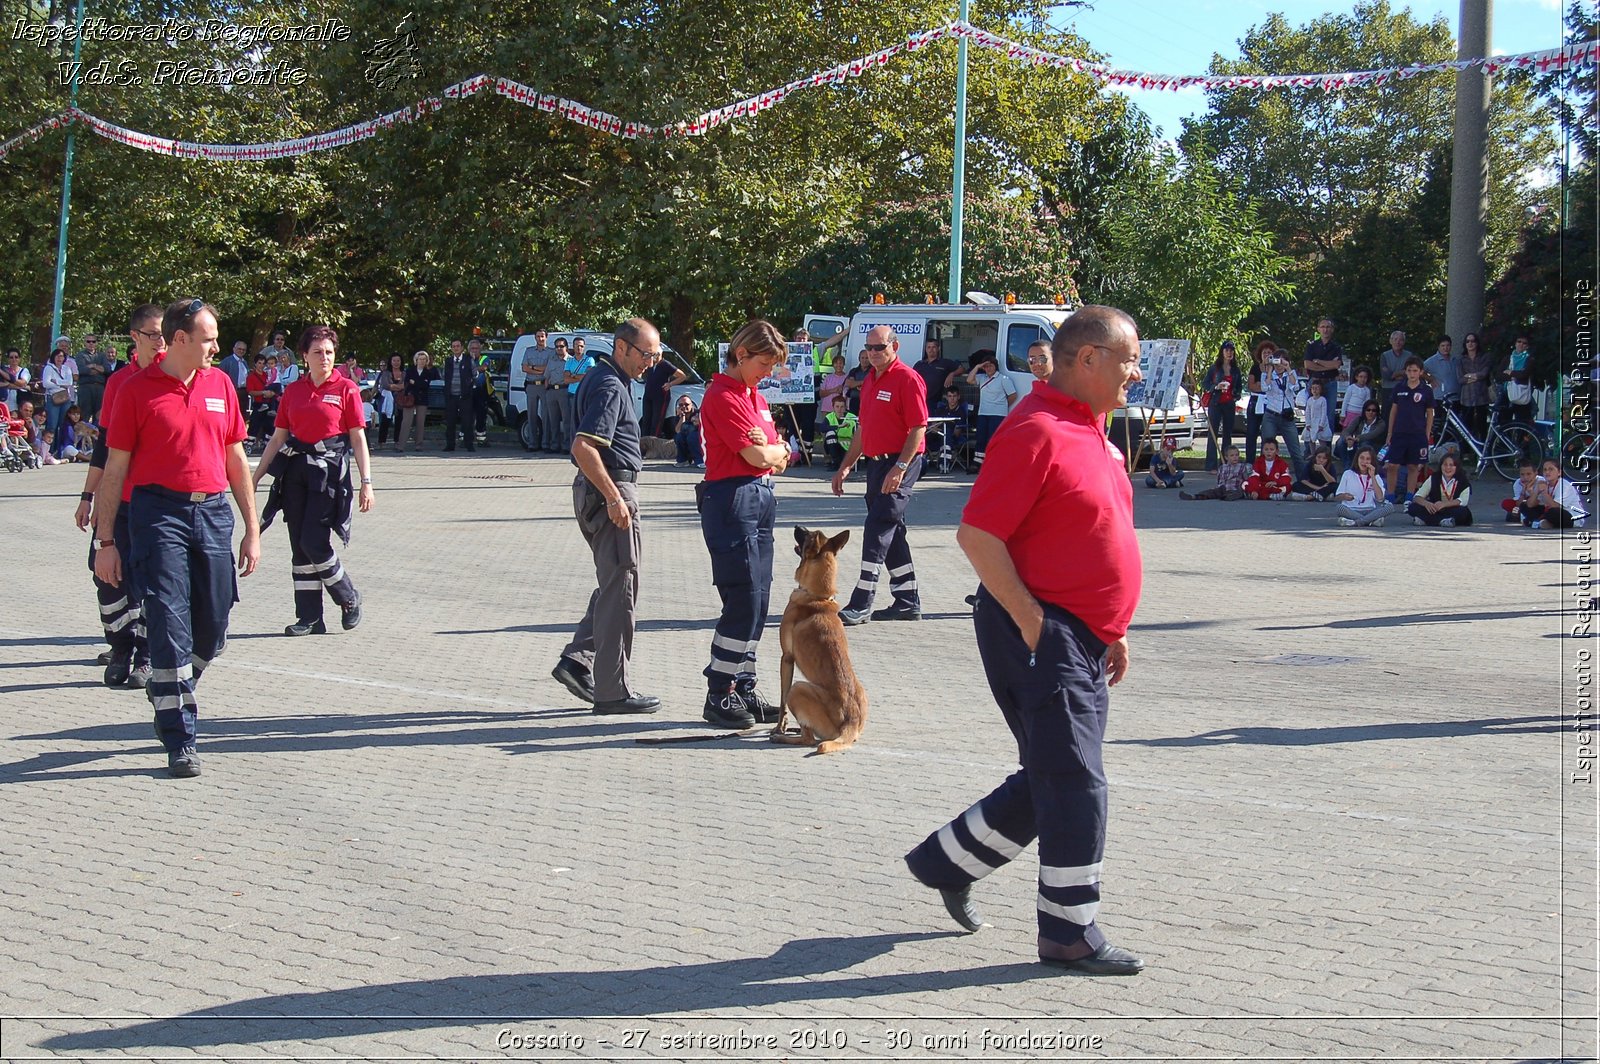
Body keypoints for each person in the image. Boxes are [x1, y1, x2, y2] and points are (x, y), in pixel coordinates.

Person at [904, 305, 1147, 976]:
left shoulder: (1094, 431)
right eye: (1127, 358)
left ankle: (945, 861)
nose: (1136, 370)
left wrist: (1113, 629)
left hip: (1081, 633)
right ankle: (1069, 932)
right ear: (1088, 358)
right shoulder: (1035, 430)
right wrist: (1038, 625)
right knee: (1075, 780)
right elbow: (978, 537)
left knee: (1055, 771)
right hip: (1041, 628)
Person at [93, 298, 260, 779]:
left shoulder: (220, 384)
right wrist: (107, 542)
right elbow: (114, 469)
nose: (216, 347)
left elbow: (235, 460)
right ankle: (179, 736)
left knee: (214, 621)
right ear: (181, 339)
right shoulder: (135, 391)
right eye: (209, 338)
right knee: (168, 621)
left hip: (212, 513)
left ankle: (173, 683)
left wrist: (251, 528)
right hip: (157, 513)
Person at [550, 318, 662, 716]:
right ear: (622, 348)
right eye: (647, 354)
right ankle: (613, 692)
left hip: (599, 490)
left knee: (613, 583)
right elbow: (584, 446)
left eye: (656, 354)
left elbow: (610, 443)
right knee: (621, 589)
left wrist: (649, 446)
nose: (651, 362)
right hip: (609, 495)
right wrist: (615, 498)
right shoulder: (612, 385)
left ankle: (577, 662)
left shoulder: (601, 378)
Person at [696, 320, 791, 729]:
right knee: (744, 597)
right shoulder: (722, 396)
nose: (767, 373)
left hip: (760, 496)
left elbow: (779, 457)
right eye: (764, 364)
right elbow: (755, 458)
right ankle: (720, 690)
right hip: (731, 499)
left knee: (761, 601)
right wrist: (772, 451)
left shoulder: (754, 397)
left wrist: (775, 448)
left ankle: (743, 685)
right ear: (742, 355)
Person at [252, 325, 373, 636]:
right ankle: (309, 617)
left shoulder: (346, 389)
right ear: (304, 356)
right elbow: (278, 437)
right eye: (318, 352)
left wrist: (366, 483)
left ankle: (348, 596)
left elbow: (357, 438)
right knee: (299, 546)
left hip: (328, 474)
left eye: (330, 352)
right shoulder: (293, 391)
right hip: (296, 473)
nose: (325, 358)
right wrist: (256, 475)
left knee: (313, 541)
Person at [830, 325, 929, 625]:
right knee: (891, 529)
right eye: (869, 348)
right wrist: (846, 464)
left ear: (894, 347)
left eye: (879, 348)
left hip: (901, 462)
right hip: (876, 464)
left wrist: (900, 468)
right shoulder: (869, 380)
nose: (873, 354)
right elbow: (863, 428)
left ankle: (862, 601)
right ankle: (907, 599)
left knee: (877, 525)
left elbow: (918, 427)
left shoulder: (907, 378)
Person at [1383, 356, 1435, 503]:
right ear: (1405, 371)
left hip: (1417, 433)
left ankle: (1409, 497)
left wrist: (1426, 433)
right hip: (1399, 433)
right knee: (1393, 465)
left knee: (1413, 466)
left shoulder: (1426, 390)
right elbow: (1393, 411)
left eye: (1415, 371)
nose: (1412, 374)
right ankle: (1390, 496)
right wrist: (1389, 433)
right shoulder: (1399, 387)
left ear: (1420, 372)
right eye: (1409, 370)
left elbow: (1430, 413)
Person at [1256, 347, 1304, 476]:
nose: (1279, 366)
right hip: (1271, 415)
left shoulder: (1290, 374)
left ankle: (1303, 480)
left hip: (1287, 417)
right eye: (1277, 362)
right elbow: (1265, 387)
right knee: (1266, 449)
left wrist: (1288, 369)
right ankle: (1262, 478)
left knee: (1296, 452)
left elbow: (1295, 387)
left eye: (1281, 362)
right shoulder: (1267, 374)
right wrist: (1270, 370)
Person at [967, 351, 1018, 464]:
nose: (988, 368)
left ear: (996, 366)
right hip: (983, 413)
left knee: (993, 438)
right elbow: (969, 380)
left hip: (998, 414)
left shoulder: (1003, 379)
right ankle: (978, 462)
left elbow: (1013, 395)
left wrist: (1002, 406)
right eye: (986, 366)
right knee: (981, 438)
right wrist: (977, 367)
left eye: (991, 365)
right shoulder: (982, 378)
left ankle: (993, 461)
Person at [1201, 341, 1241, 470]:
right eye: (1227, 350)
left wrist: (1235, 395)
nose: (1229, 353)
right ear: (1222, 352)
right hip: (1216, 403)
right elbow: (1205, 384)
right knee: (1213, 433)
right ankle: (1211, 465)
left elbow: (1238, 387)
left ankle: (1225, 463)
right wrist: (1216, 387)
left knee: (1227, 434)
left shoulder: (1235, 370)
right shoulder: (1215, 368)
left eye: (1231, 351)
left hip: (1229, 404)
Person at [1332, 446, 1396, 526]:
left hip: (1370, 509)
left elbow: (1380, 499)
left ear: (1372, 461)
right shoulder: (1348, 474)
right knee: (1339, 508)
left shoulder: (1376, 476)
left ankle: (1356, 522)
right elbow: (1337, 497)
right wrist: (1345, 496)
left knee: (1389, 507)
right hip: (1351, 509)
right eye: (1362, 458)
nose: (1364, 461)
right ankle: (1371, 521)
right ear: (1357, 459)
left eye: (1368, 459)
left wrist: (1372, 476)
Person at [1302, 317, 1343, 437]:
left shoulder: (1336, 347)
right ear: (1318, 329)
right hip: (1314, 382)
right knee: (1311, 413)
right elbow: (1308, 365)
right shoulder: (1312, 346)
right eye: (1323, 327)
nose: (1325, 330)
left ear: (1332, 330)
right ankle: (1310, 448)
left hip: (1330, 383)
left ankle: (1326, 449)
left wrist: (1318, 361)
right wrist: (1328, 365)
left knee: (1329, 415)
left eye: (1328, 327)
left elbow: (1336, 365)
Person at [1406, 453, 1471, 526]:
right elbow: (1417, 497)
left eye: (1451, 465)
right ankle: (1443, 521)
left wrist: (1444, 504)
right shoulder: (1434, 478)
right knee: (1412, 507)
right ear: (1441, 466)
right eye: (1445, 465)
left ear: (1457, 467)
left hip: (1451, 509)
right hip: (1434, 509)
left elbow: (1463, 501)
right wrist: (1426, 504)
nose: (1448, 468)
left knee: (1463, 512)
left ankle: (1427, 520)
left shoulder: (1463, 481)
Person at [1522, 460, 1588, 529]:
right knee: (1524, 505)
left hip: (1570, 516)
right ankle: (1544, 523)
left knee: (1553, 512)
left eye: (1551, 469)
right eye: (1545, 470)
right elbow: (1530, 505)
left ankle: (1536, 521)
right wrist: (1536, 491)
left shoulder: (1564, 485)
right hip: (1550, 513)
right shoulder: (1543, 483)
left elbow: (1555, 506)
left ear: (1559, 472)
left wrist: (1544, 492)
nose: (1547, 472)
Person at [520, 328, 555, 451]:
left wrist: (533, 367)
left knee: (546, 416)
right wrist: (539, 369)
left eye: (542, 336)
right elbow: (524, 368)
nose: (540, 339)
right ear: (535, 338)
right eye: (538, 336)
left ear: (546, 337)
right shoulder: (529, 351)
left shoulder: (551, 352)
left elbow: (549, 368)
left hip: (544, 386)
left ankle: (546, 444)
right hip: (531, 386)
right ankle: (532, 444)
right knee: (531, 415)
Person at [640, 349, 687, 438]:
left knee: (656, 422)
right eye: (653, 355)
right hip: (648, 394)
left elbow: (682, 376)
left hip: (660, 395)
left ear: (660, 354)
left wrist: (670, 384)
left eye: (656, 355)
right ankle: (644, 442)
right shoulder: (651, 364)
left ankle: (654, 442)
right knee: (646, 421)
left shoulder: (665, 364)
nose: (654, 357)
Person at [440, 338, 475, 452]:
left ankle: (469, 444)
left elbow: (474, 374)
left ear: (462, 348)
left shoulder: (468, 360)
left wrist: (469, 387)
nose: (455, 348)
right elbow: (444, 376)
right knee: (450, 422)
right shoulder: (448, 361)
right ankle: (450, 445)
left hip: (465, 396)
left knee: (467, 421)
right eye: (453, 346)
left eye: (458, 346)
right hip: (451, 396)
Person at [1457, 333, 1493, 440]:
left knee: (1482, 426)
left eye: (1473, 341)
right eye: (1468, 341)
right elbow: (1460, 379)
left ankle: (1483, 451)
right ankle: (1467, 453)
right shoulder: (1461, 360)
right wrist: (1477, 376)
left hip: (1481, 397)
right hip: (1466, 398)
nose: (1470, 343)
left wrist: (1471, 375)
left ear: (1477, 343)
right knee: (1467, 427)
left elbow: (1484, 373)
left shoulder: (1484, 357)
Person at [561, 337, 595, 449]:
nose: (579, 348)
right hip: (572, 394)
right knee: (572, 421)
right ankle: (572, 446)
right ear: (573, 346)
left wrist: (573, 375)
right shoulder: (570, 361)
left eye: (581, 346)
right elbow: (566, 379)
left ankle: (584, 446)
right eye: (576, 345)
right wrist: (580, 376)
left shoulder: (589, 360)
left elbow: (588, 376)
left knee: (583, 420)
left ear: (584, 347)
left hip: (584, 394)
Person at [1180, 445, 1249, 500]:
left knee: (1238, 493)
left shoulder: (1242, 467)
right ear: (1226, 457)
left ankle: (1228, 497)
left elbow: (1246, 479)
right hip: (1224, 488)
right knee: (1212, 492)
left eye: (1236, 455)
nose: (1235, 457)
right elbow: (1220, 480)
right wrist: (1219, 487)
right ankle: (1195, 496)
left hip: (1235, 488)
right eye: (1232, 455)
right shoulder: (1222, 468)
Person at [399, 350, 435, 452]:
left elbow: (425, 386)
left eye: (424, 359)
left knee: (420, 422)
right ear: (416, 360)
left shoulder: (428, 372)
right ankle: (401, 445)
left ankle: (419, 445)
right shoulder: (410, 370)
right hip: (410, 398)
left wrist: (415, 382)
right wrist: (417, 383)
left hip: (422, 399)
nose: (422, 361)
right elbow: (408, 382)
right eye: (420, 359)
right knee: (406, 422)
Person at [913, 337, 962, 407]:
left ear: (938, 348)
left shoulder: (945, 363)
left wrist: (952, 374)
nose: (931, 350)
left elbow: (961, 369)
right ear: (925, 349)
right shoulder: (919, 364)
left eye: (933, 347)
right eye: (929, 347)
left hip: (937, 402)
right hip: (920, 400)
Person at [76, 334, 114, 421]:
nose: (91, 343)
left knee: (99, 416)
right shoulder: (80, 355)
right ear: (85, 343)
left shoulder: (102, 355)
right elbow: (81, 369)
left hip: (100, 388)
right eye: (88, 341)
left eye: (93, 341)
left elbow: (107, 369)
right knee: (84, 415)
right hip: (85, 388)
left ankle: (97, 434)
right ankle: (83, 435)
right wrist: (99, 369)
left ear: (96, 343)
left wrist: (93, 365)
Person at [1499, 335, 1535, 423]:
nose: (1521, 344)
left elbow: (1524, 375)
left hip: (1521, 394)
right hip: (1506, 393)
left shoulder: (1529, 359)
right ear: (1515, 343)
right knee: (1503, 422)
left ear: (1527, 346)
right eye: (1519, 341)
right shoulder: (1507, 358)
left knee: (1522, 424)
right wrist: (1514, 376)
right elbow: (1499, 375)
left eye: (1524, 343)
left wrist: (1510, 372)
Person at [1336, 400, 1386, 464]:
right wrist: (1348, 438)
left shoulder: (1381, 423)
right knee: (1341, 441)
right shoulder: (1359, 419)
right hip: (1356, 442)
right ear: (1364, 410)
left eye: (1373, 410)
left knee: (1364, 444)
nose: (1371, 412)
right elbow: (1346, 431)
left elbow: (1372, 435)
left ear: (1377, 412)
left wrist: (1357, 438)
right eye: (1368, 410)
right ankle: (1347, 464)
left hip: (1372, 445)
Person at [1244, 342, 1269, 463]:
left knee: (1267, 433)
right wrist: (1262, 387)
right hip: (1255, 401)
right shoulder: (1255, 368)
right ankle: (1250, 461)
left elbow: (1271, 387)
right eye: (1265, 353)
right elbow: (1251, 386)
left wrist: (1262, 386)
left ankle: (1264, 461)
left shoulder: (1275, 369)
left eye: (1270, 353)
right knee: (1251, 433)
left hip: (1269, 402)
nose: (1267, 355)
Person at [43, 347, 77, 437]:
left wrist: (56, 381)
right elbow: (46, 383)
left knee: (63, 425)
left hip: (65, 399)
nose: (59, 358)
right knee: (52, 425)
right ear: (53, 357)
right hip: (53, 398)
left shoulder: (67, 369)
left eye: (61, 356)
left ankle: (60, 448)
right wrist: (62, 385)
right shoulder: (48, 368)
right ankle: (49, 448)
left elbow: (69, 383)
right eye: (57, 356)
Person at [374, 354, 405, 450]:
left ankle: (397, 441)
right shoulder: (386, 373)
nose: (396, 363)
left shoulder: (404, 373)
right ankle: (381, 442)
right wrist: (398, 387)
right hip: (387, 400)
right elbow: (386, 385)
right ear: (391, 362)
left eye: (398, 360)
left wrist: (395, 387)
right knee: (384, 421)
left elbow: (405, 385)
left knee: (399, 420)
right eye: (394, 361)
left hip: (400, 400)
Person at [820, 394, 858, 470]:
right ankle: (836, 463)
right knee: (830, 433)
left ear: (845, 407)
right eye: (837, 406)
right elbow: (822, 428)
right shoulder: (830, 416)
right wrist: (838, 426)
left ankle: (847, 462)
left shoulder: (852, 417)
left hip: (849, 446)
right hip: (834, 445)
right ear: (833, 407)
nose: (839, 409)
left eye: (842, 407)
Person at [1423, 336, 1459, 412]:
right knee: (1440, 423)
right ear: (1438, 347)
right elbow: (1419, 371)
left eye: (1448, 345)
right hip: (1440, 399)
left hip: (1456, 398)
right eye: (1443, 346)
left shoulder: (1455, 360)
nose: (1445, 348)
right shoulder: (1431, 361)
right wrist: (1430, 379)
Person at [816, 354, 849, 439]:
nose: (838, 365)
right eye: (836, 363)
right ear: (833, 365)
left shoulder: (847, 378)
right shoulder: (828, 378)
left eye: (841, 363)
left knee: (839, 432)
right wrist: (833, 390)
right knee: (826, 432)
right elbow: (821, 394)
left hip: (840, 410)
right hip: (826, 409)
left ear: (843, 365)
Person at [1380, 330, 1412, 411]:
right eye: (1395, 339)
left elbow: (1411, 373)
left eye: (1400, 340)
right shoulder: (1384, 355)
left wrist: (1394, 375)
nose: (1398, 342)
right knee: (1387, 416)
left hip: (1404, 388)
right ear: (1390, 341)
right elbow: (1386, 376)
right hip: (1388, 390)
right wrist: (1401, 372)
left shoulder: (1409, 356)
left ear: (1404, 342)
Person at [1301, 379, 1334, 451]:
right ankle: (1313, 454)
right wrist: (1308, 423)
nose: (1315, 390)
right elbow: (1307, 412)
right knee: (1311, 439)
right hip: (1312, 422)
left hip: (1320, 422)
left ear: (1321, 390)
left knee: (1321, 438)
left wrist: (1321, 424)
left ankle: (1325, 453)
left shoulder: (1323, 400)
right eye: (1313, 388)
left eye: (1317, 388)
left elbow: (1324, 413)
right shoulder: (1310, 400)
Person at [218, 340, 250, 412]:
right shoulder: (227, 362)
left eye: (243, 350)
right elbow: (220, 378)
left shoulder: (244, 363)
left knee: (242, 414)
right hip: (232, 392)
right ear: (234, 349)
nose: (241, 351)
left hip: (244, 392)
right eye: (239, 349)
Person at [1340, 366, 1374, 431]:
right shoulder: (1351, 388)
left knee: (1358, 431)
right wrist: (1343, 413)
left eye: (1365, 377)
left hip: (1360, 414)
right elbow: (1345, 401)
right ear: (1356, 377)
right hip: (1349, 413)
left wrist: (1366, 415)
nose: (1363, 379)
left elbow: (1367, 404)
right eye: (1361, 377)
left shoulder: (1367, 390)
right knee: (1346, 432)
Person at [673, 395, 703, 466]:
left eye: (686, 404)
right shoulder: (678, 416)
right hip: (686, 440)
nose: (683, 407)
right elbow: (677, 431)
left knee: (692, 437)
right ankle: (683, 460)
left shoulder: (697, 413)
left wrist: (697, 421)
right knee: (678, 437)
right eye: (681, 405)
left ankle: (700, 461)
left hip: (698, 440)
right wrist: (682, 417)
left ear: (691, 405)